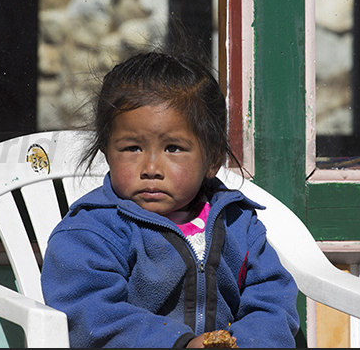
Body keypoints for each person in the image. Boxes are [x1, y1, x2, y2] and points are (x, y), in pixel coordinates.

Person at [41, 51, 300, 348]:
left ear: (213, 159)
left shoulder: (238, 224)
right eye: (132, 148)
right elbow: (91, 317)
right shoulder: (90, 232)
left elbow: (273, 302)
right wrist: (180, 343)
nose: (151, 169)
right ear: (106, 153)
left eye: (174, 148)